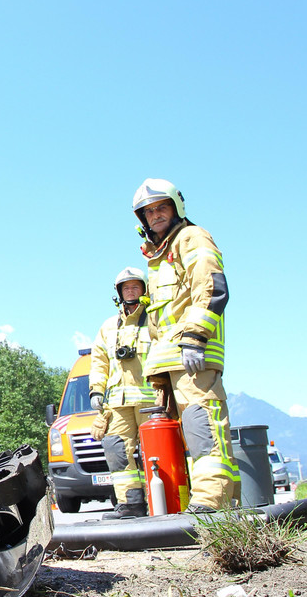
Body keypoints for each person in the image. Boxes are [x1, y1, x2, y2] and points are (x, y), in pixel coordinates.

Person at [132, 178, 238, 512]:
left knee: (202, 427)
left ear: (176, 207)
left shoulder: (192, 237)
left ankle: (213, 504)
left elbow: (210, 287)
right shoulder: (159, 258)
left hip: (192, 359)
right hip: (166, 366)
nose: (155, 216)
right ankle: (186, 506)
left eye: (161, 207)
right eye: (148, 212)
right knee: (174, 441)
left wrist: (195, 339)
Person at [89, 267, 155, 519]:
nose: (130, 291)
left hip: (151, 401)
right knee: (118, 452)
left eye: (135, 286)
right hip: (117, 403)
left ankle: (163, 501)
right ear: (119, 292)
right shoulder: (108, 327)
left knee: (156, 452)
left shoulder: (154, 319)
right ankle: (130, 504)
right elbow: (99, 362)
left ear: (144, 289)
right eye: (125, 287)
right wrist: (96, 391)